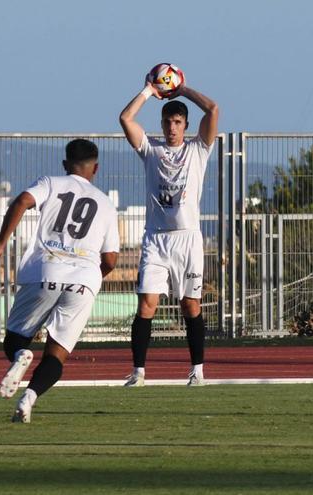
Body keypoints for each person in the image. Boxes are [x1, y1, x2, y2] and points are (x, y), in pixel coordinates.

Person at [0, 138, 120, 422]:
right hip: (84, 279)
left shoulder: (51, 182)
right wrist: (90, 279)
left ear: (65, 164)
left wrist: (1, 243)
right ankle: (28, 399)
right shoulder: (105, 203)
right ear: (96, 168)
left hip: (45, 269)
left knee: (15, 340)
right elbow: (111, 260)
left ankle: (20, 356)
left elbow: (22, 201)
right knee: (57, 354)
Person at [118, 73, 219, 387]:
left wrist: (182, 89)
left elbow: (213, 109)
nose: (172, 127)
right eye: (167, 122)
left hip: (187, 239)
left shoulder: (198, 150)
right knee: (147, 304)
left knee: (190, 305)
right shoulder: (151, 151)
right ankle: (138, 372)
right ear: (161, 124)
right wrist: (150, 91)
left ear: (185, 125)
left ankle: (197, 370)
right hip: (156, 239)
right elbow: (125, 118)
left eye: (177, 122)